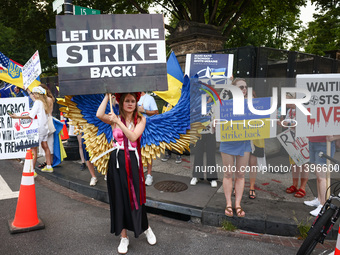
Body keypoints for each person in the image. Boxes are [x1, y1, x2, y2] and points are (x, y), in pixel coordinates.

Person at [96, 92, 156, 254]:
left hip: (133, 162)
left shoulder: (141, 120)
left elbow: (133, 136)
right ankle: (124, 237)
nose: (130, 103)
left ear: (136, 103)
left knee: (136, 197)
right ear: (121, 103)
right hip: (116, 161)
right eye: (127, 101)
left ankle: (146, 228)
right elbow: (99, 114)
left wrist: (118, 123)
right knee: (119, 199)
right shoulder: (114, 117)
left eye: (133, 101)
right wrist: (107, 96)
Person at [220, 78, 251, 217]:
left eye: (245, 87)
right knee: (228, 174)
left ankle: (237, 204)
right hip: (228, 142)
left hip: (244, 143)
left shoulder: (253, 105)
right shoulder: (225, 105)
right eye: (240, 87)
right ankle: (228, 203)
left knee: (240, 175)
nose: (243, 89)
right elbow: (217, 122)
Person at [9, 86, 53, 172]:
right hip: (44, 128)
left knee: (33, 149)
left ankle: (32, 171)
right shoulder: (45, 102)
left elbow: (30, 116)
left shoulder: (37, 103)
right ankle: (49, 166)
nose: (33, 95)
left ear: (37, 94)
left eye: (34, 93)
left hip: (39, 129)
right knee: (45, 146)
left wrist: (17, 117)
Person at [304, 135, 338, 216]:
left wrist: (335, 137)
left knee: (321, 177)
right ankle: (319, 200)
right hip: (312, 141)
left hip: (324, 144)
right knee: (318, 175)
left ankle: (323, 205)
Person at [137, 92, 159, 186]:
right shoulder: (131, 96)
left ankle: (149, 175)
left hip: (146, 129)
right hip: (134, 127)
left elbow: (156, 112)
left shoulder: (149, 98)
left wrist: (144, 111)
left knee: (148, 151)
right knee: (136, 151)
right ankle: (138, 174)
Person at [38, 84, 55, 168]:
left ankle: (49, 162)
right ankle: (48, 161)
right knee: (47, 142)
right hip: (49, 120)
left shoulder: (46, 100)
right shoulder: (49, 99)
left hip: (47, 120)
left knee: (47, 142)